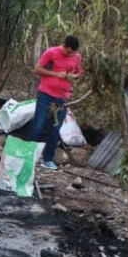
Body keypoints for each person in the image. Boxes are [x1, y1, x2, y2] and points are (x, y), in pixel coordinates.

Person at [29, 35, 82, 170]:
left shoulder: (76, 57)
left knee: (56, 128)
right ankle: (29, 155)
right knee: (38, 124)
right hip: (46, 93)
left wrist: (72, 76)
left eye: (72, 53)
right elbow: (37, 69)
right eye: (68, 52)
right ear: (64, 46)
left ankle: (48, 159)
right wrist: (56, 74)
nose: (69, 54)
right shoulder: (51, 53)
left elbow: (78, 71)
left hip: (63, 97)